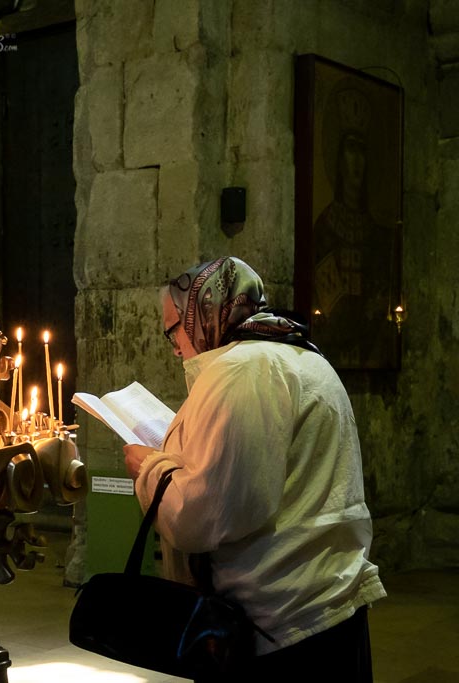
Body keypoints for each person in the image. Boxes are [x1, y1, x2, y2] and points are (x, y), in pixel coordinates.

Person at [123, 256, 386, 682]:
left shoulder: (239, 371)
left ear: (205, 315)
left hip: (281, 625)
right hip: (327, 605)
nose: (173, 346)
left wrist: (150, 468)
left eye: (173, 329)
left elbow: (206, 514)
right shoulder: (303, 354)